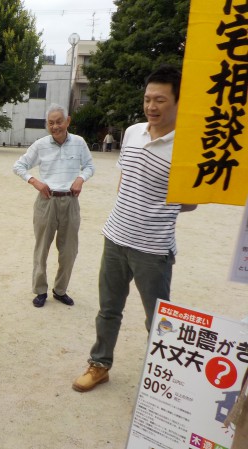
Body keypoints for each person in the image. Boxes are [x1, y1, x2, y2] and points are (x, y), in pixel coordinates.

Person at [72, 65, 197, 393]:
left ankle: (164, 378)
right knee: (108, 309)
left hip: (154, 249)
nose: (151, 106)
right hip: (116, 237)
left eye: (160, 100)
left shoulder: (188, 147)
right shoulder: (132, 132)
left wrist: (161, 203)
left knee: (158, 319)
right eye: (147, 99)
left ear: (179, 102)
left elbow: (191, 204)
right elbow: (125, 181)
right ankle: (99, 364)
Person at [13, 103, 95, 309]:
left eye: (59, 121)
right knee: (42, 248)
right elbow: (19, 165)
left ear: (68, 121)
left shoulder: (79, 143)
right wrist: (35, 182)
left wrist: (80, 179)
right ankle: (40, 290)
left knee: (69, 250)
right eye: (51, 123)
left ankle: (60, 290)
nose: (55, 126)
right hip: (46, 201)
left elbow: (90, 166)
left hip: (70, 202)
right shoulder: (40, 145)